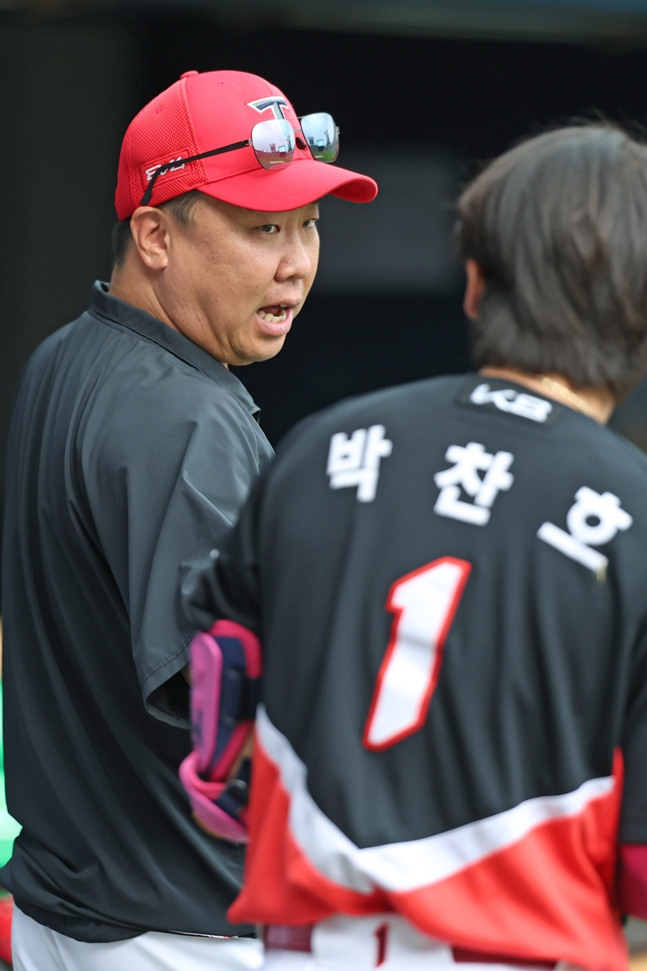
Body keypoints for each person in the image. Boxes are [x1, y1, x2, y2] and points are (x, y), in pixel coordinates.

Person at [182, 123, 647, 971]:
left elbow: (218, 729)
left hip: (309, 949)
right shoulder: (636, 511)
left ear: (473, 285)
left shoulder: (322, 447)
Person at [0, 69, 377, 971]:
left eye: (306, 224)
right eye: (261, 228)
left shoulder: (66, 354)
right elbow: (249, 710)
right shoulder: (184, 419)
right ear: (156, 234)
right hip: (182, 935)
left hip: (70, 912)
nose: (295, 263)